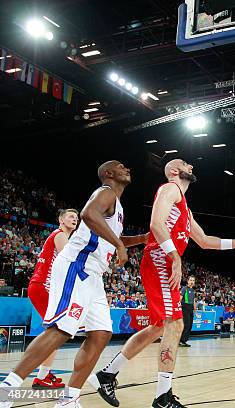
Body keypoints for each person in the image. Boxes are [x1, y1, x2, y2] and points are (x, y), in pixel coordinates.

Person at [89, 159, 235, 408]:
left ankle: (107, 374)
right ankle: (163, 396)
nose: (190, 165)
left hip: (164, 262)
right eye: (184, 163)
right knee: (175, 323)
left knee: (158, 327)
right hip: (160, 260)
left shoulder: (184, 206)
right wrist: (174, 256)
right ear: (174, 171)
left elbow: (203, 240)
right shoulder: (170, 189)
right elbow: (156, 224)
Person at [0, 160, 148, 408]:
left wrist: (140, 238)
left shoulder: (117, 205)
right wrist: (120, 245)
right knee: (61, 329)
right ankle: (7, 390)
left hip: (94, 276)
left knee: (101, 334)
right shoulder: (106, 192)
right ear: (108, 174)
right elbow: (88, 215)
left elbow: (111, 237)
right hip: (77, 267)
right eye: (120, 166)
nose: (128, 168)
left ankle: (69, 399)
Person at [27, 208, 79, 389]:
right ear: (61, 220)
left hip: (41, 286)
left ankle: (44, 373)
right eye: (71, 216)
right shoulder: (59, 235)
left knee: (55, 332)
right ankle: (39, 376)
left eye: (76, 217)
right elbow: (71, 260)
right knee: (55, 332)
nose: (75, 219)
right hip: (43, 286)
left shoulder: (60, 236)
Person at [179, 276, 196, 347]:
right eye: (190, 280)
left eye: (193, 280)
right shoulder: (184, 288)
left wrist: (195, 308)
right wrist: (178, 308)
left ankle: (184, 340)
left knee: (190, 325)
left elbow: (193, 300)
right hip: (185, 307)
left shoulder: (193, 290)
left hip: (191, 308)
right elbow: (180, 298)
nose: (192, 282)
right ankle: (181, 340)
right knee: (186, 324)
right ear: (188, 281)